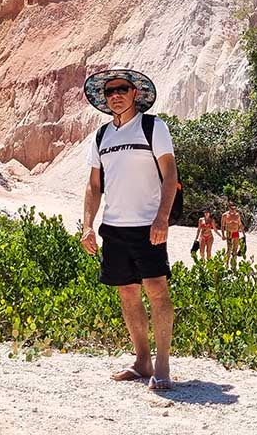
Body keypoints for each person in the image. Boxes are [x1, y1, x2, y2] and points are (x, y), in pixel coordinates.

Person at [78, 68, 179, 391]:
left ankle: (162, 366)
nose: (115, 95)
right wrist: (87, 226)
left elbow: (170, 175)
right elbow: (94, 186)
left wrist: (162, 218)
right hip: (114, 227)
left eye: (122, 89)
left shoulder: (153, 127)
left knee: (157, 290)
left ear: (136, 93)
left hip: (147, 225)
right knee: (127, 292)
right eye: (109, 92)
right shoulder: (101, 136)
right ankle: (141, 362)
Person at [220, 202, 244, 269]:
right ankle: (226, 264)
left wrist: (243, 233)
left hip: (236, 232)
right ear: (229, 208)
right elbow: (222, 226)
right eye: (232, 208)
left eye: (234, 208)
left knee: (235, 250)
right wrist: (223, 235)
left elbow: (239, 224)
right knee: (229, 249)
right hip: (229, 233)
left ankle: (233, 265)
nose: (233, 210)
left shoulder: (237, 215)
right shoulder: (225, 215)